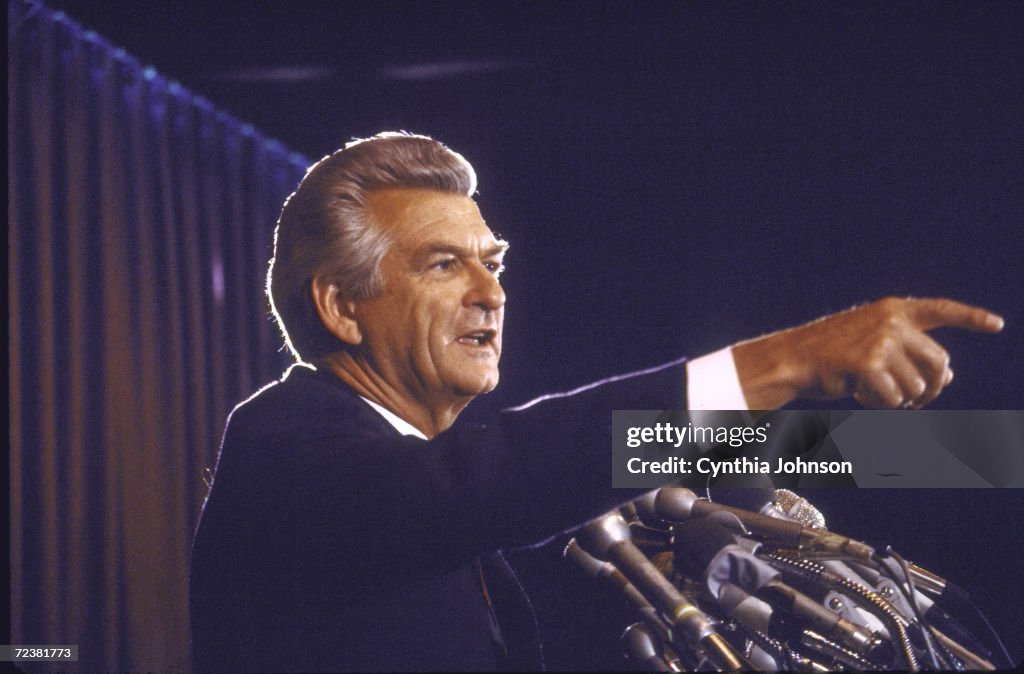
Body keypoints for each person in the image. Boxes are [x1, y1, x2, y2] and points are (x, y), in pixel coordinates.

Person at [188, 132, 1003, 672]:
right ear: (339, 306)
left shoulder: (447, 505)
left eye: (493, 263)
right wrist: (791, 359)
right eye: (443, 265)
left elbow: (546, 475)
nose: (490, 293)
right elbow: (504, 474)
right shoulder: (283, 445)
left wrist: (963, 453)